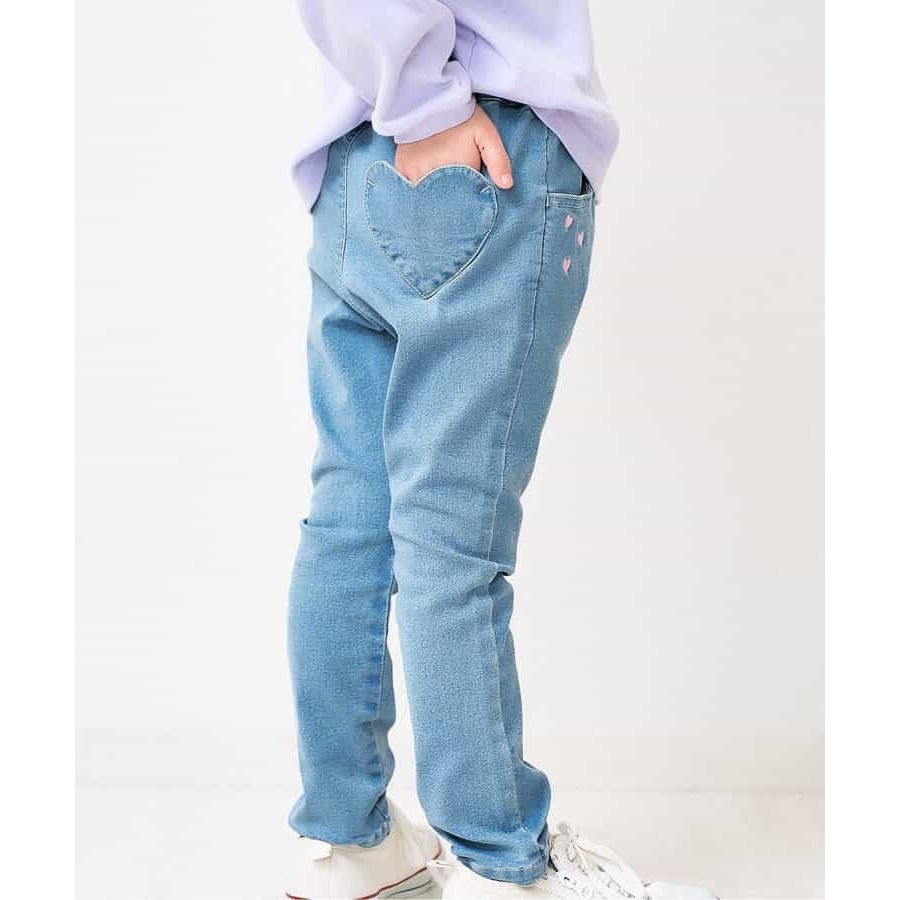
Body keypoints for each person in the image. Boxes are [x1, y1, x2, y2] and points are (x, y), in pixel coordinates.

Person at [285, 3, 716, 898]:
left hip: (358, 159)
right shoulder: (442, 113)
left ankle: (350, 841)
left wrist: (406, 98)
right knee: (450, 532)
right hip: (480, 149)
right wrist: (427, 104)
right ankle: (498, 860)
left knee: (351, 517)